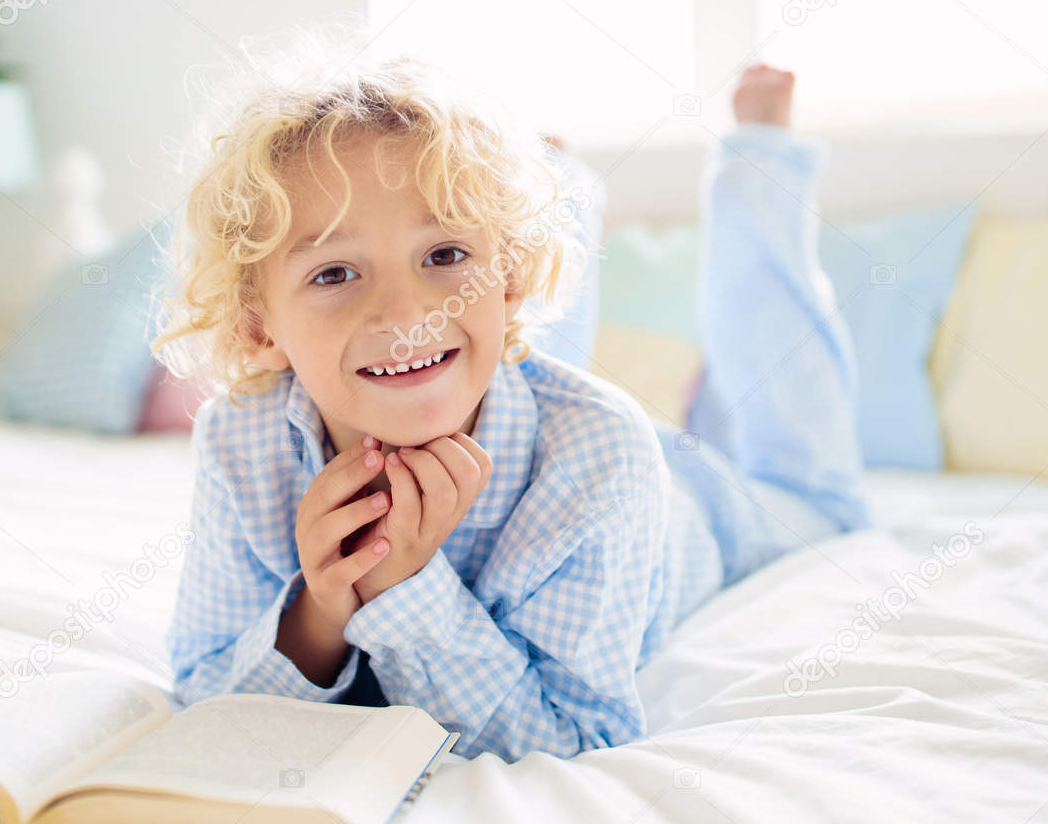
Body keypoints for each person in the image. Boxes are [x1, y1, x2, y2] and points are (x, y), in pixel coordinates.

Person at [151, 52, 869, 763]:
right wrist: (320, 611)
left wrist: (405, 590)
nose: (403, 312)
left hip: (693, 508)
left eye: (442, 253)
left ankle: (758, 160)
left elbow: (576, 739)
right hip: (505, 395)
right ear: (257, 328)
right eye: (335, 272)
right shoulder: (241, 439)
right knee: (462, 339)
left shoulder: (599, 452)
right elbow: (206, 696)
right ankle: (557, 190)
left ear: (514, 278)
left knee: (818, 500)